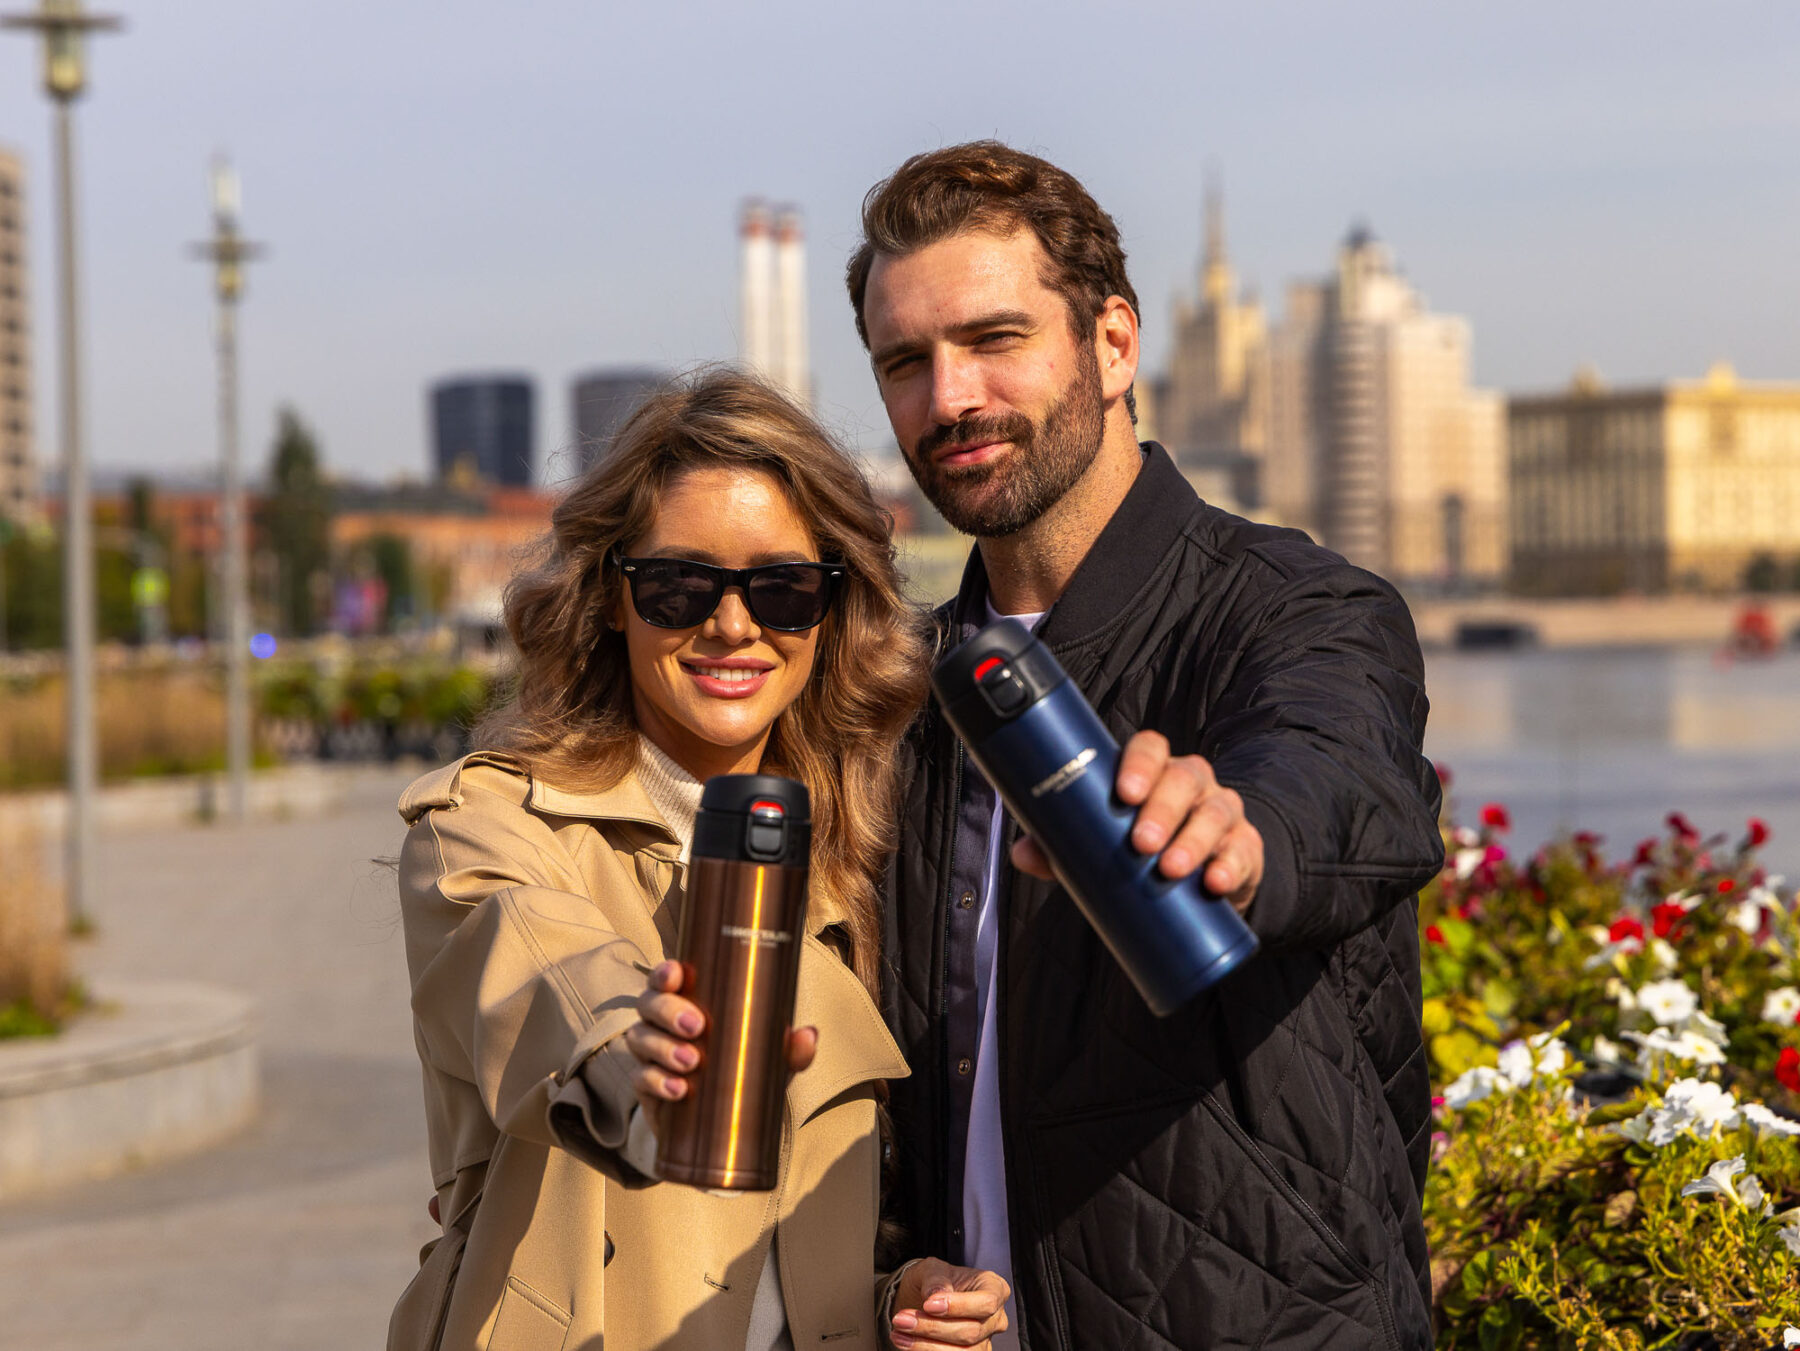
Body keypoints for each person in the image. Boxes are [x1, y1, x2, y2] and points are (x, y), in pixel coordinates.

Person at [850, 143, 1446, 1349]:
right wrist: (894, 1275)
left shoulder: (1298, 609)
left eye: (994, 338)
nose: (949, 397)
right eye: (905, 362)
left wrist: (1239, 835)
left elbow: (1340, 774)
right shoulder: (901, 692)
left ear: (1114, 344)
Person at [388, 370, 1009, 1351]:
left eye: (783, 588)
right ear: (611, 597)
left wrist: (899, 1300)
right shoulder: (490, 823)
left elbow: (786, 1259)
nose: (731, 624)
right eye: (679, 585)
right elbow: (540, 970)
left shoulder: (855, 861)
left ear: (831, 609)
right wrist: (635, 1044)